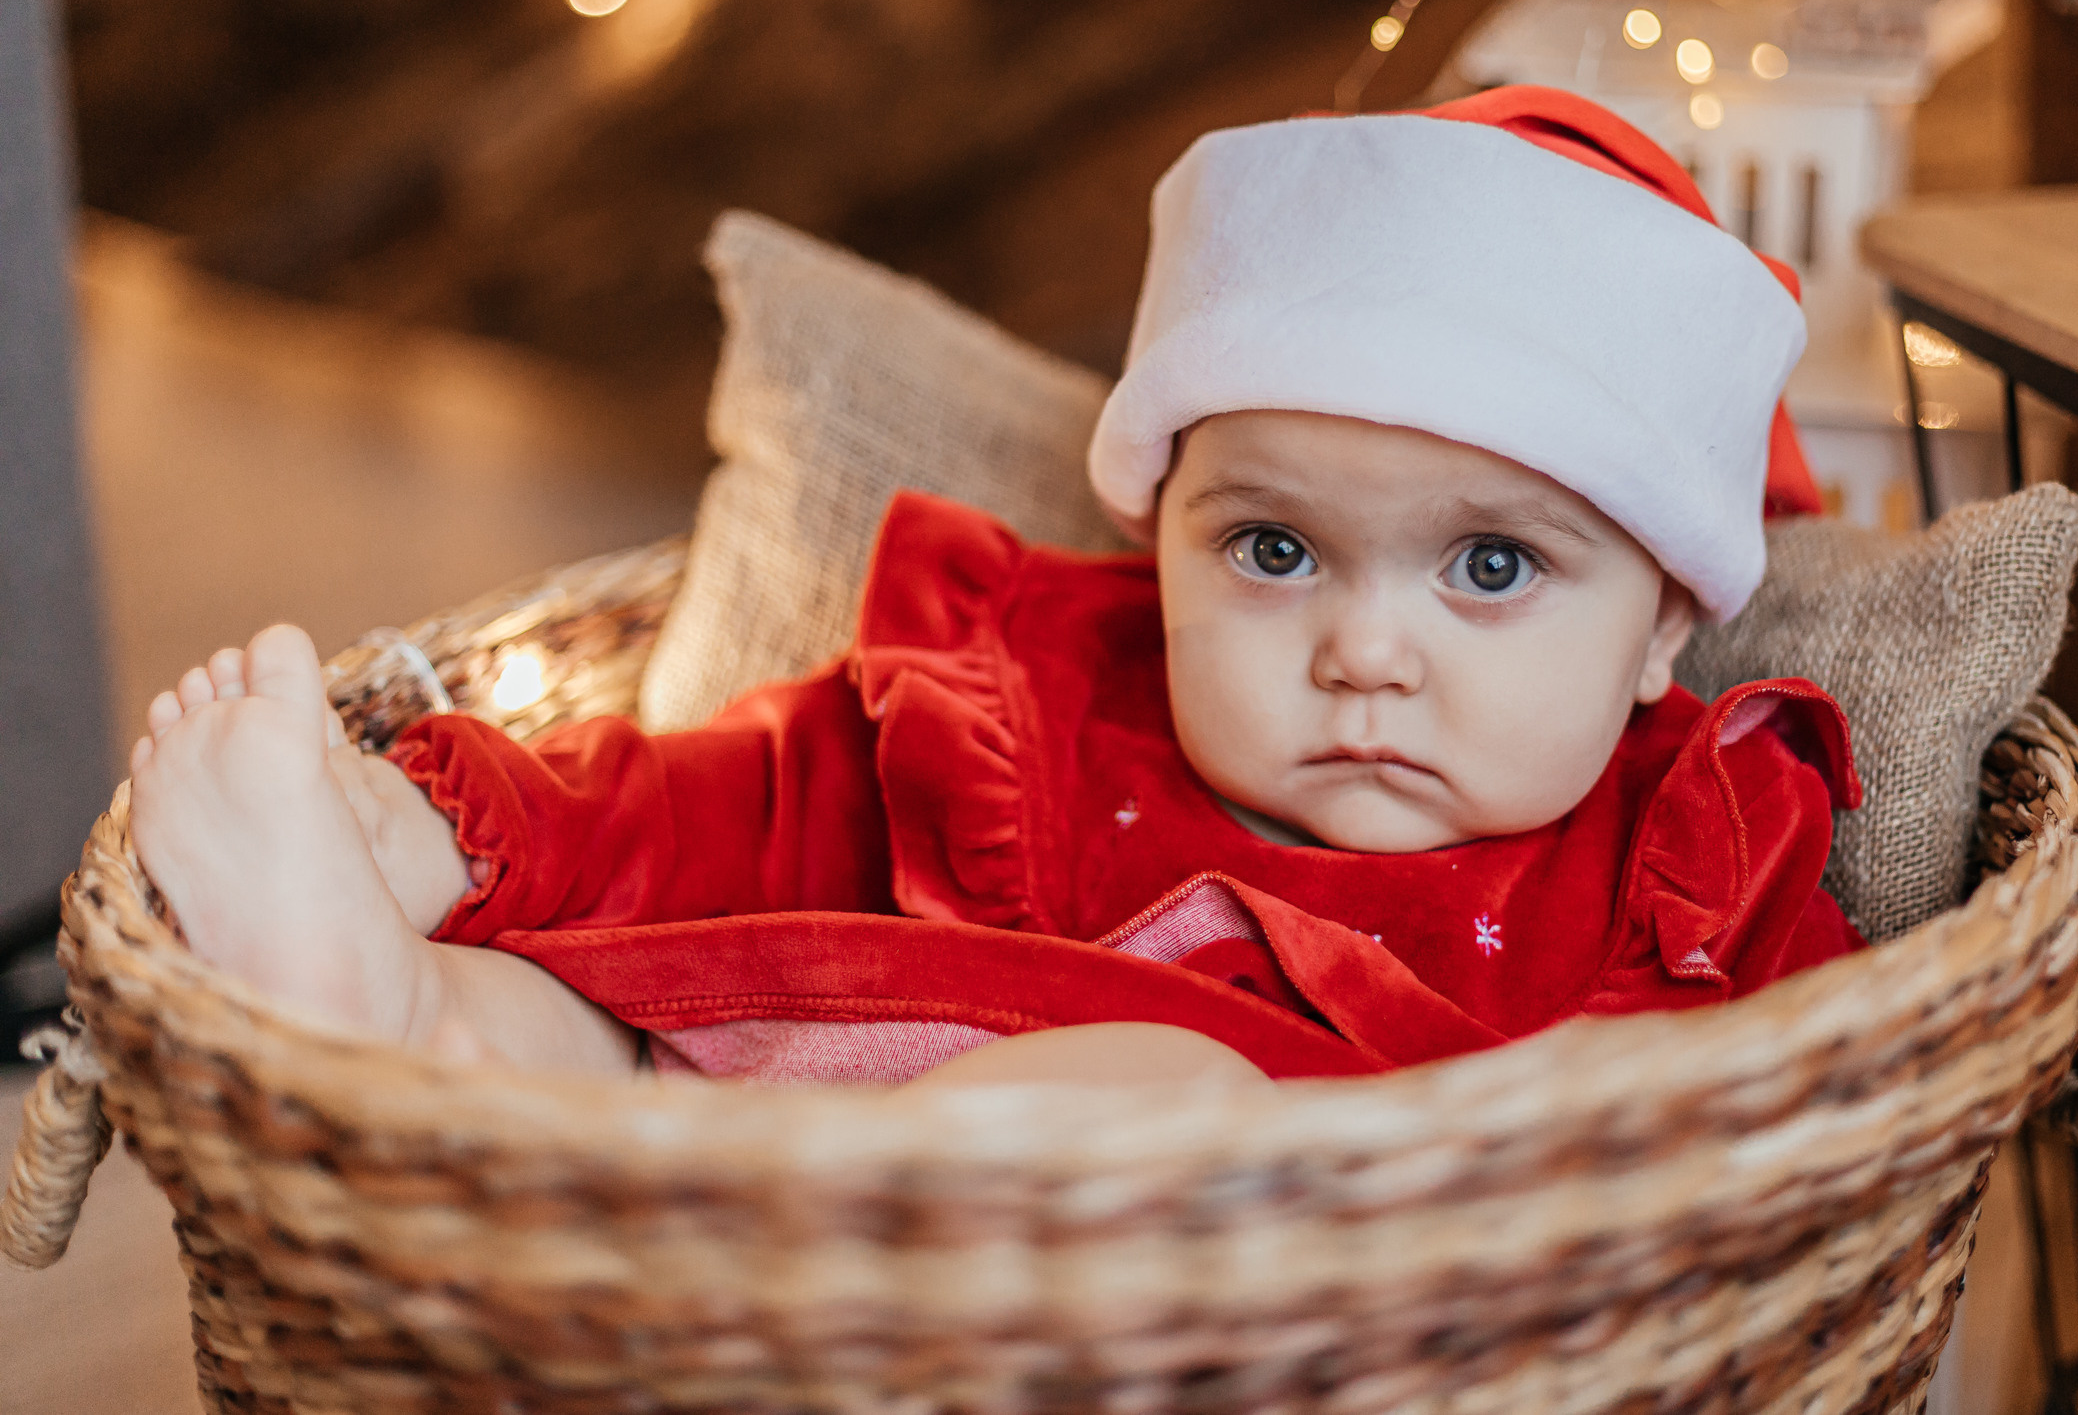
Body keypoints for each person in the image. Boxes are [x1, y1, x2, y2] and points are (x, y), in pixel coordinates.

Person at [123, 86, 1865, 1090]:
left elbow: (1831, 1099)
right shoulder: (1048, 690)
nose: (1362, 650)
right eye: (1272, 550)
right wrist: (430, 835)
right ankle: (375, 996)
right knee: (576, 1021)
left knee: (1162, 1084)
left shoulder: (1689, 862)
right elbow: (727, 798)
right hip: (713, 1184)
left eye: (1492, 567)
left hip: (1227, 1278)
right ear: (1163, 540)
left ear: (1662, 628)